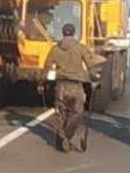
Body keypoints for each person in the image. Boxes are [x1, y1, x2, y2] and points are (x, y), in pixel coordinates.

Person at [42, 23, 99, 152]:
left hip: (61, 86)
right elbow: (90, 65)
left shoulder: (55, 49)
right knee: (77, 114)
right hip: (76, 87)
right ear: (74, 33)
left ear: (62, 33)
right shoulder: (81, 48)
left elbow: (47, 67)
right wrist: (94, 79)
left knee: (62, 114)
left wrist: (41, 82)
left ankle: (62, 139)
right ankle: (66, 136)